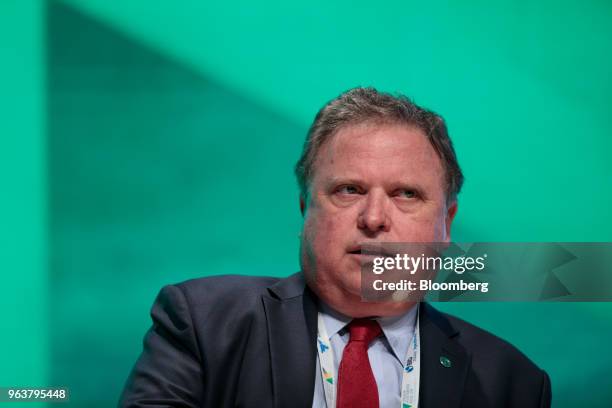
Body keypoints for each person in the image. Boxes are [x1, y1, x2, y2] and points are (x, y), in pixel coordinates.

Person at [119, 87, 551, 407]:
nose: (375, 218)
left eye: (406, 194)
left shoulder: (512, 383)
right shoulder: (202, 324)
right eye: (349, 189)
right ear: (306, 208)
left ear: (446, 225)